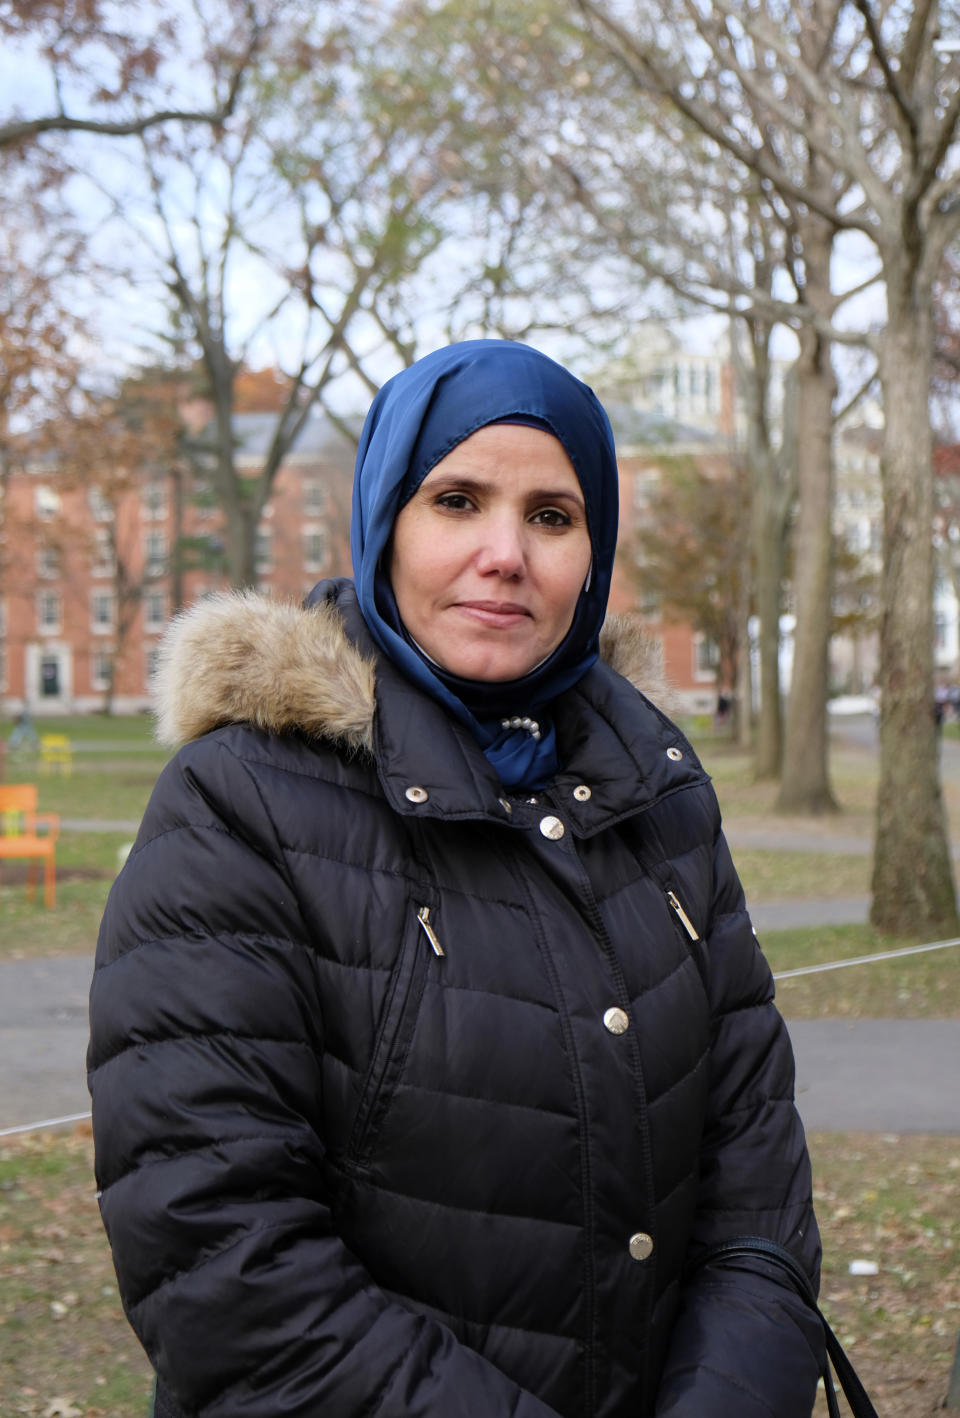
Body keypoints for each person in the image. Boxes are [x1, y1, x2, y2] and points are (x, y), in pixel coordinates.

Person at [88, 340, 824, 1418]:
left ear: (596, 548)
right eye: (458, 499)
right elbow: (219, 1256)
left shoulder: (659, 793)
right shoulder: (239, 805)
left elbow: (755, 1175)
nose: (504, 553)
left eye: (552, 516)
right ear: (388, 518)